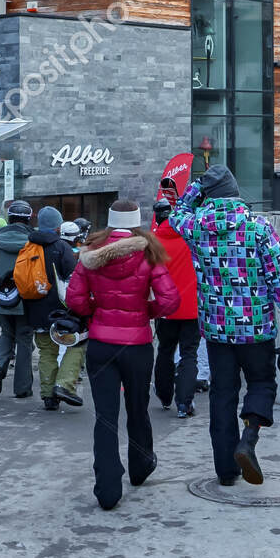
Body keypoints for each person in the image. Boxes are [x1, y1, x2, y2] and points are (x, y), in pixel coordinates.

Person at [171, 165, 280, 488]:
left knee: (222, 394)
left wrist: (195, 188)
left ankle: (225, 470)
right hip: (256, 328)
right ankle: (249, 437)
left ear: (208, 195)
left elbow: (177, 212)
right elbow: (279, 280)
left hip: (216, 330)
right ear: (235, 192)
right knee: (261, 383)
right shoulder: (258, 227)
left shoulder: (195, 226)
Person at [65, 201, 179, 510]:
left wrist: (96, 314)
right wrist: (146, 313)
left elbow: (74, 298)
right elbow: (170, 299)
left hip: (101, 345)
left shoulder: (90, 254)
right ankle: (141, 467)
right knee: (138, 408)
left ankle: (107, 488)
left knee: (105, 416)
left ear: (109, 220)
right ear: (136, 221)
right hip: (138, 345)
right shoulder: (148, 253)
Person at [151, 198, 201, 417]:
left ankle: (164, 395)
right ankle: (184, 403)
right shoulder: (191, 237)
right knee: (189, 354)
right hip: (191, 307)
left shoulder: (153, 241)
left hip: (165, 307)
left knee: (165, 350)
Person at [27, 207, 81, 411]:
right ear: (58, 226)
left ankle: (49, 396)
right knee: (75, 345)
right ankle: (64, 384)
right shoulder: (62, 247)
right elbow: (73, 279)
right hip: (61, 312)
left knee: (46, 353)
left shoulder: (29, 245)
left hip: (35, 309)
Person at [0, 199, 37, 398]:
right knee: (24, 338)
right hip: (27, 298)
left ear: (10, 218)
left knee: (6, 333)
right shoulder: (34, 240)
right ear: (28, 218)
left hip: (2, 296)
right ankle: (22, 388)